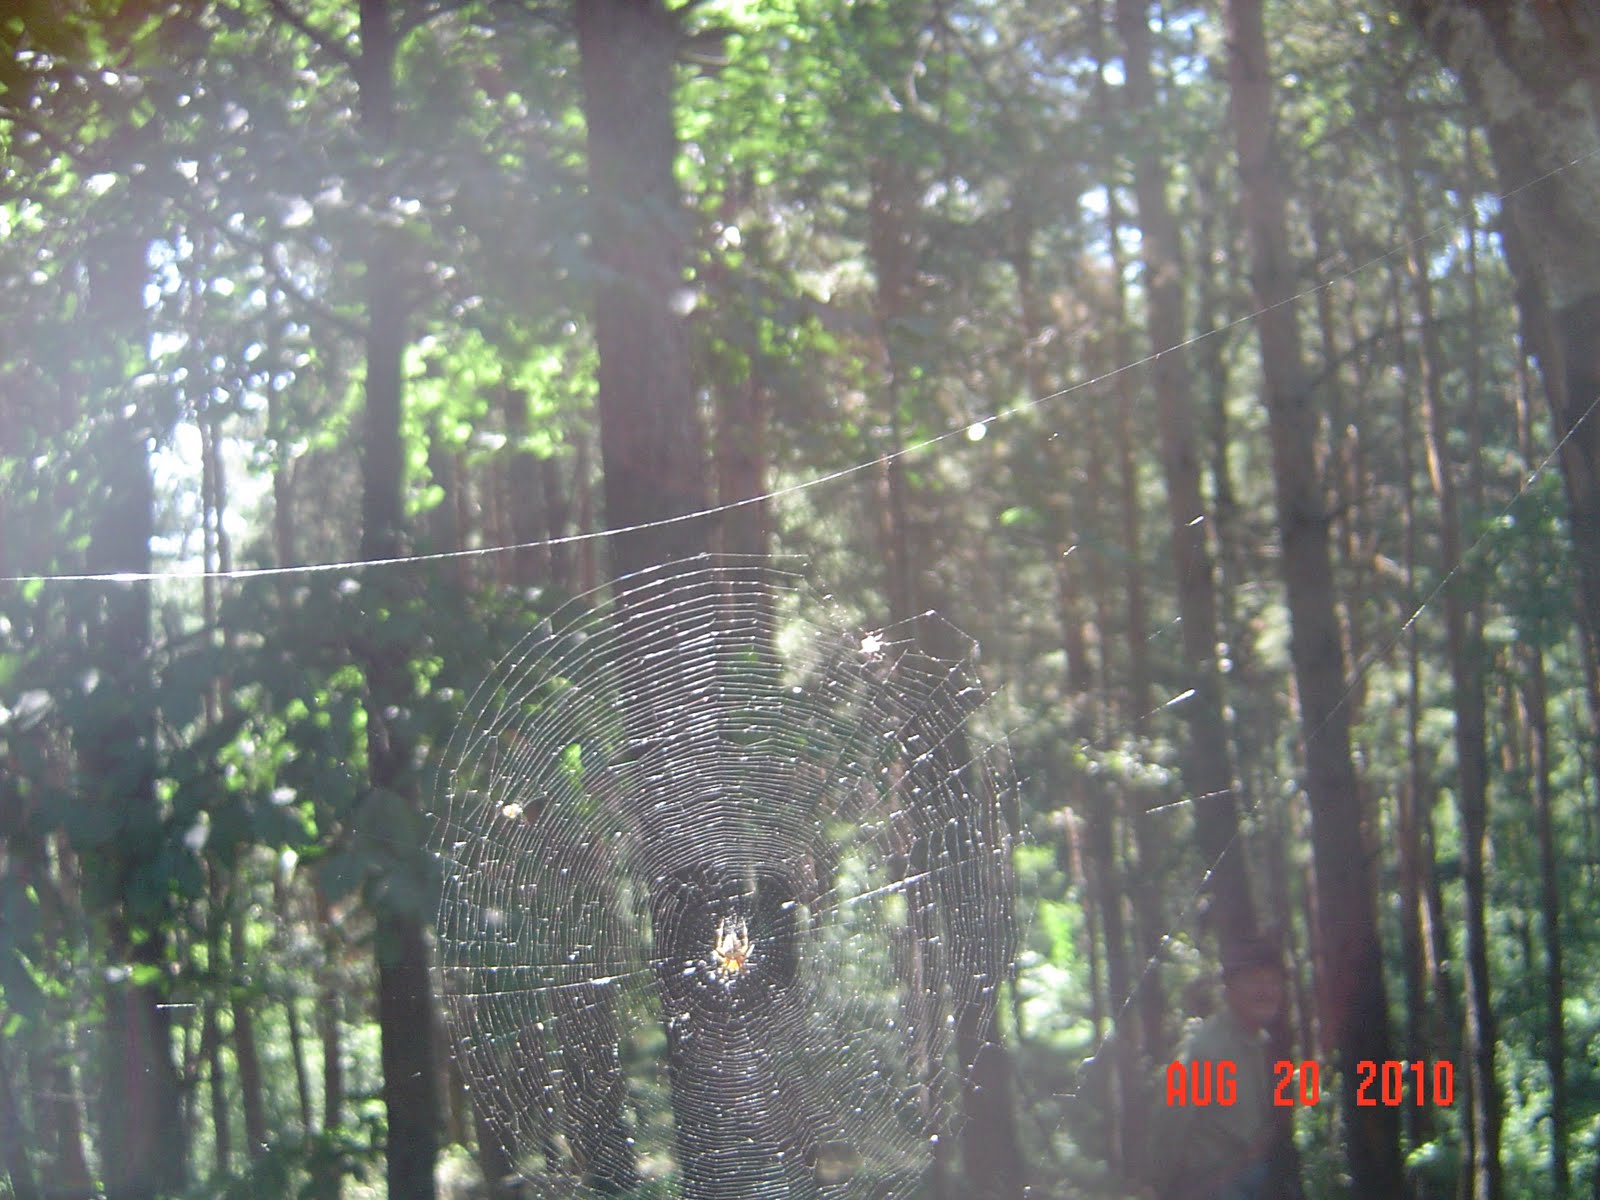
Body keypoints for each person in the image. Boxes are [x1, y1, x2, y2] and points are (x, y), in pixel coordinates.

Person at [1144, 933, 1286, 1200]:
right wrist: (1162, 1188)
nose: (1266, 991)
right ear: (1229, 989)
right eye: (1255, 981)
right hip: (1212, 1186)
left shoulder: (1260, 1044)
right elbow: (1168, 1127)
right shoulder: (1205, 1051)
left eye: (1273, 982)